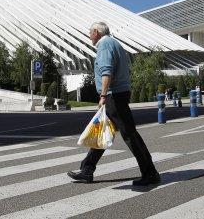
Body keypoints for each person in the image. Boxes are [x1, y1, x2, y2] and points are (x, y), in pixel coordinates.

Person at [67, 22, 160, 186]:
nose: (89, 36)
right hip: (118, 94)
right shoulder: (115, 43)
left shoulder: (104, 45)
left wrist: (103, 95)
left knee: (130, 134)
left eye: (90, 32)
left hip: (113, 96)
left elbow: (106, 71)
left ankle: (150, 172)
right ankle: (87, 170)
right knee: (104, 131)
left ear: (96, 32)